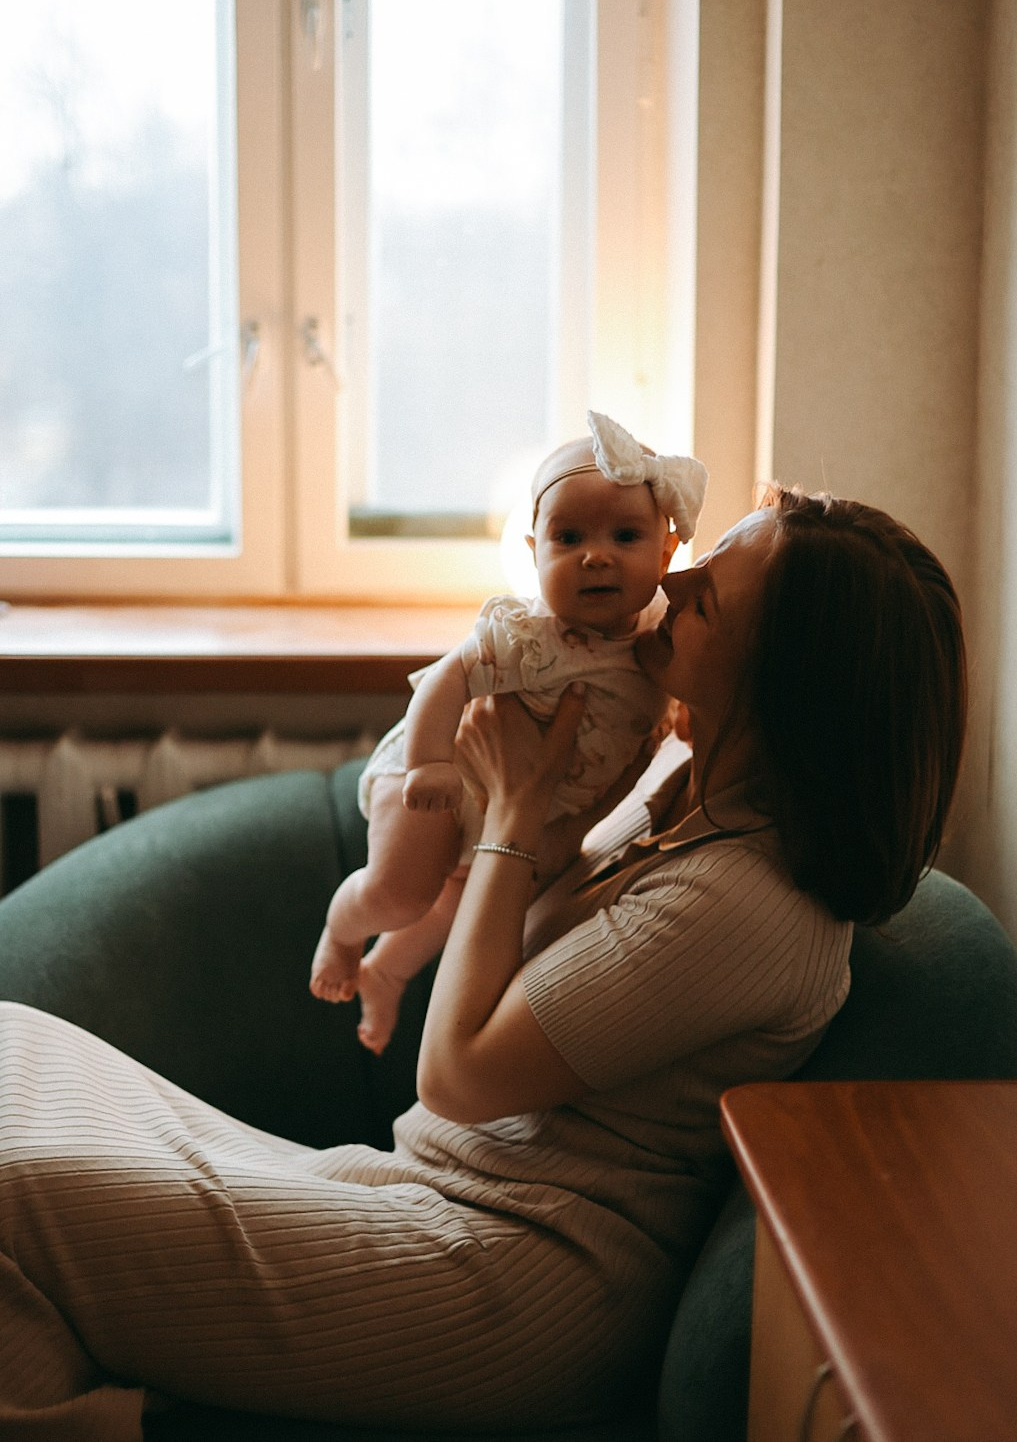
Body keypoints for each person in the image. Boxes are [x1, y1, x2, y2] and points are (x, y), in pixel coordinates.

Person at [0, 487, 966, 1440]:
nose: (669, 575)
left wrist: (511, 815)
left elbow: (457, 1075)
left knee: (12, 1200)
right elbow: (520, 919)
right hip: (424, 1188)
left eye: (707, 591)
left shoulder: (748, 906)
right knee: (12, 1048)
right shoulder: (680, 787)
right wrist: (530, 807)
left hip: (514, 1276)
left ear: (782, 676)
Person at [309, 410, 708, 1054]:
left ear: (666, 551)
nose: (595, 555)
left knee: (457, 908)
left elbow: (646, 742)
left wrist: (573, 826)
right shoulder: (531, 635)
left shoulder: (661, 647)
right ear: (534, 553)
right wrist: (430, 762)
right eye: (569, 536)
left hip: (508, 811)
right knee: (404, 893)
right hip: (443, 775)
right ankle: (345, 924)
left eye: (625, 536)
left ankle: (387, 971)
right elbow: (445, 680)